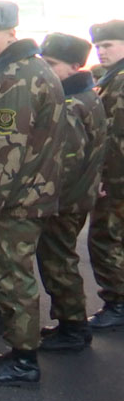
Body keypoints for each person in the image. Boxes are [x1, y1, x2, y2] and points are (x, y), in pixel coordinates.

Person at [0, 1, 64, 387]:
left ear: (11, 33)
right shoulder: (25, 70)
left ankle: (24, 360)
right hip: (28, 193)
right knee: (14, 275)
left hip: (14, 199)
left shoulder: (16, 78)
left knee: (13, 278)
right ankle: (19, 349)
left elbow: (4, 149)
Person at [36, 33, 106, 350]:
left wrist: (45, 197)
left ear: (75, 66)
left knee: (58, 263)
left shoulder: (70, 104)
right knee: (61, 260)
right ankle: (69, 323)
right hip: (78, 196)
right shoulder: (88, 97)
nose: (46, 71)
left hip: (63, 201)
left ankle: (73, 329)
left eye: (51, 64)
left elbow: (66, 161)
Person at [86, 20, 124, 330]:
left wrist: (103, 177)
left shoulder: (120, 81)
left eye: (108, 45)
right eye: (99, 46)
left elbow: (113, 137)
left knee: (105, 240)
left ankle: (118, 303)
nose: (101, 51)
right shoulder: (113, 79)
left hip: (116, 182)